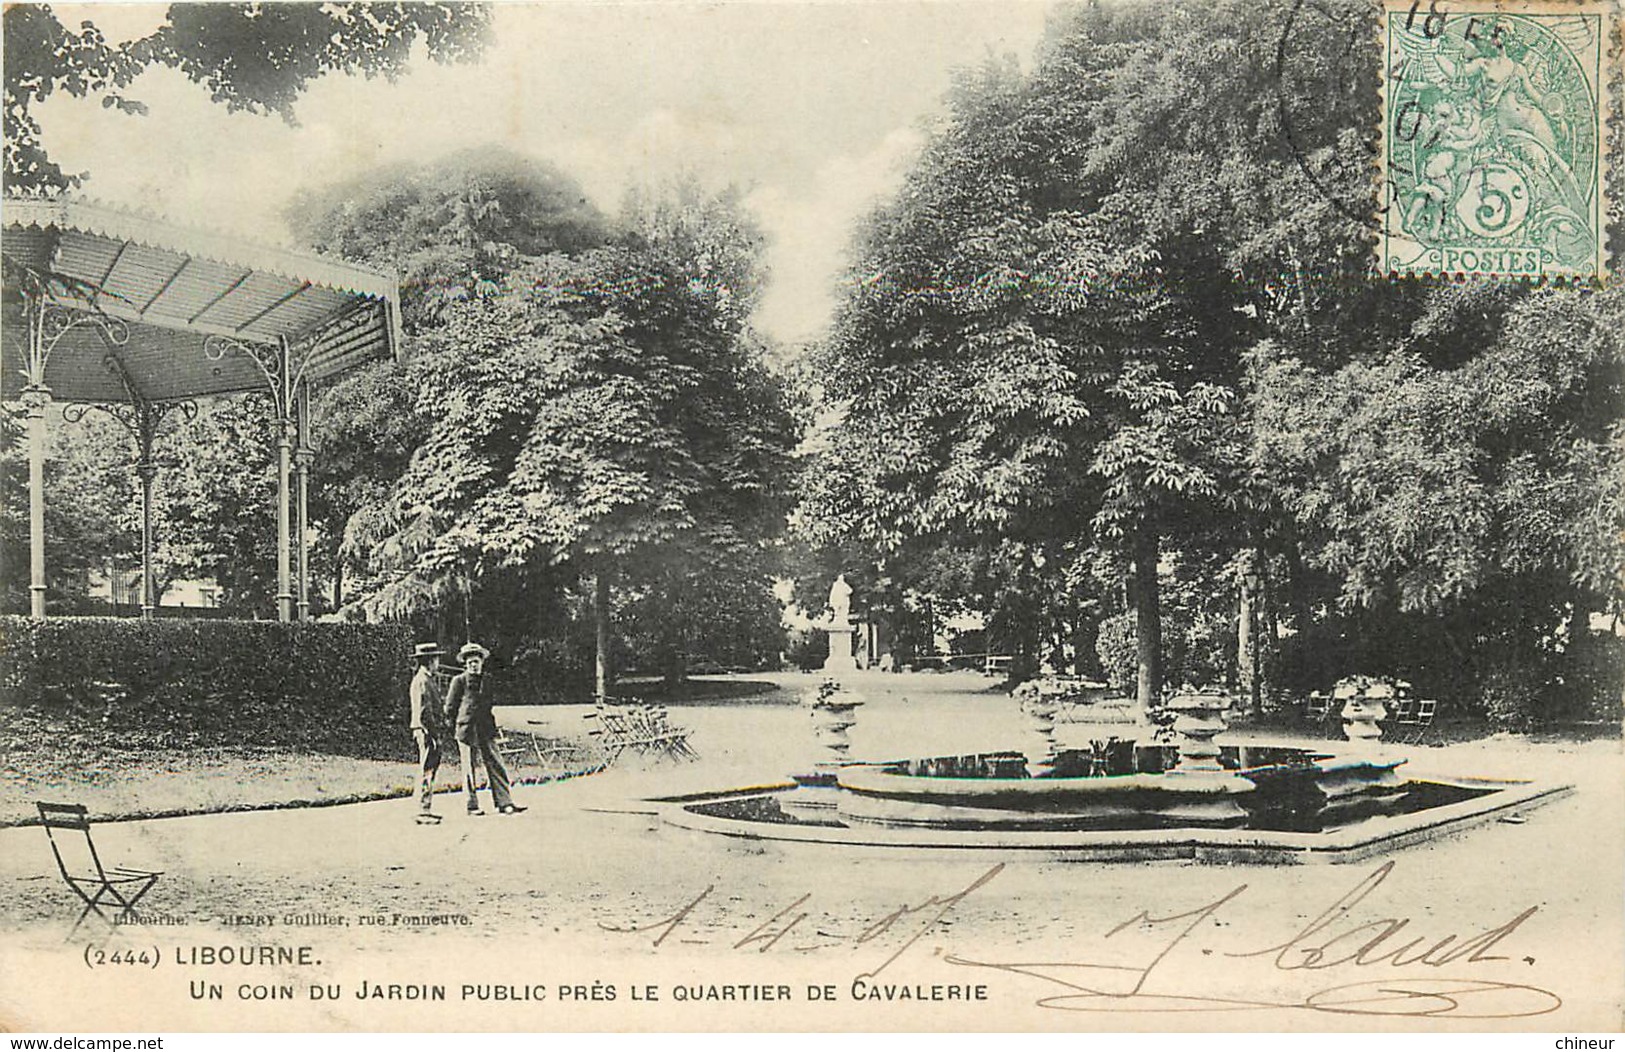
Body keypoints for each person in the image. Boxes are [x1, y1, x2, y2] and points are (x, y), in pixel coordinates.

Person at [443, 642, 524, 816]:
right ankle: (471, 806)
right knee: (469, 767)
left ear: (482, 662)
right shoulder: (458, 681)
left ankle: (505, 802)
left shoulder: (487, 681)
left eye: (476, 661)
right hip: (466, 729)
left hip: (486, 727)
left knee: (496, 763)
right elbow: (450, 708)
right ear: (465, 663)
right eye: (470, 662)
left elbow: (489, 703)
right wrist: (455, 727)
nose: (473, 665)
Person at [408, 641, 446, 825]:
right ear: (429, 661)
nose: (438, 662)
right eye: (436, 659)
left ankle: (425, 808)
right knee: (427, 768)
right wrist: (433, 734)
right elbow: (425, 712)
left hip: (424, 730)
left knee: (428, 768)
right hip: (426, 731)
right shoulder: (422, 680)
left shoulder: (424, 678)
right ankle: (422, 809)